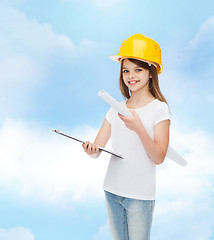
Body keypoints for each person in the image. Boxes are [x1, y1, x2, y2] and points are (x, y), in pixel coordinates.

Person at [82, 33, 171, 240]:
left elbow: (159, 157)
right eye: (126, 70)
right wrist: (90, 150)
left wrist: (139, 128)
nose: (131, 75)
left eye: (138, 69)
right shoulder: (116, 108)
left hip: (140, 196)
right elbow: (98, 148)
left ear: (151, 72)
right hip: (112, 190)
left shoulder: (159, 109)